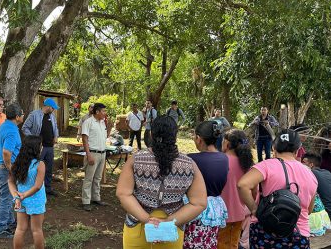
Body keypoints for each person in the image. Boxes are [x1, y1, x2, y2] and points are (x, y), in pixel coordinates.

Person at [116, 115, 207, 249]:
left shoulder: (136, 160)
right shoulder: (189, 164)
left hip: (138, 227)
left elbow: (123, 194)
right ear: (175, 136)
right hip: (171, 230)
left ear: (151, 134)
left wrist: (147, 220)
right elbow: (199, 203)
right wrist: (167, 222)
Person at [238, 129, 317, 248]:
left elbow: (242, 185)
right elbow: (309, 210)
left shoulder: (266, 165)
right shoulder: (311, 175)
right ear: (297, 151)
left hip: (265, 232)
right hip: (298, 233)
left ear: (274, 148)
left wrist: (254, 210)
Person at [184, 121, 229, 249]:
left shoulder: (191, 159)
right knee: (209, 242)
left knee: (192, 243)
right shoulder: (224, 158)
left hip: (195, 210)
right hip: (214, 211)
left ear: (198, 139)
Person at [217, 129, 254, 249]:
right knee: (233, 243)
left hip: (220, 213)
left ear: (227, 144)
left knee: (220, 243)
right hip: (239, 214)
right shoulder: (247, 164)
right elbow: (254, 190)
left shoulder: (219, 160)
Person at [8, 136, 47, 249]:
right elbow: (37, 186)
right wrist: (23, 195)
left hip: (20, 201)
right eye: (40, 145)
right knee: (37, 230)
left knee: (20, 229)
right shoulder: (39, 164)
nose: (42, 147)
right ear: (36, 148)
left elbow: (10, 182)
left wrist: (16, 196)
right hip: (35, 200)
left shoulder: (17, 163)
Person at [0, 104, 24, 238]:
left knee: (10, 196)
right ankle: (1, 229)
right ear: (17, 117)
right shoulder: (12, 130)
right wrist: (10, 168)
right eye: (22, 114)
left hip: (0, 167)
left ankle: (10, 221)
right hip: (5, 169)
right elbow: (6, 152)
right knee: (6, 199)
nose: (23, 116)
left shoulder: (4, 125)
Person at [22, 98, 59, 197]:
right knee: (35, 168)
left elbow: (55, 127)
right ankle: (33, 189)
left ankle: (47, 188)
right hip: (38, 148)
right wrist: (34, 140)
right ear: (47, 106)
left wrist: (56, 136)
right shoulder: (34, 114)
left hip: (50, 147)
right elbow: (24, 128)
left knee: (49, 168)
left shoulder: (52, 115)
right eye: (53, 108)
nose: (54, 110)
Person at [81, 103, 108, 211]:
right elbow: (84, 139)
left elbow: (105, 136)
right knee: (89, 178)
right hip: (93, 153)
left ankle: (96, 198)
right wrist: (88, 155)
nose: (105, 113)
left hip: (102, 153)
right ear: (97, 112)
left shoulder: (102, 122)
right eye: (104, 111)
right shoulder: (88, 122)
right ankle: (86, 201)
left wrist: (109, 126)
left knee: (98, 178)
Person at [302, 153, 331, 218]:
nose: (301, 164)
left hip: (325, 214)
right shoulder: (327, 172)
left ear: (311, 165)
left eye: (303, 162)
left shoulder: (311, 174)